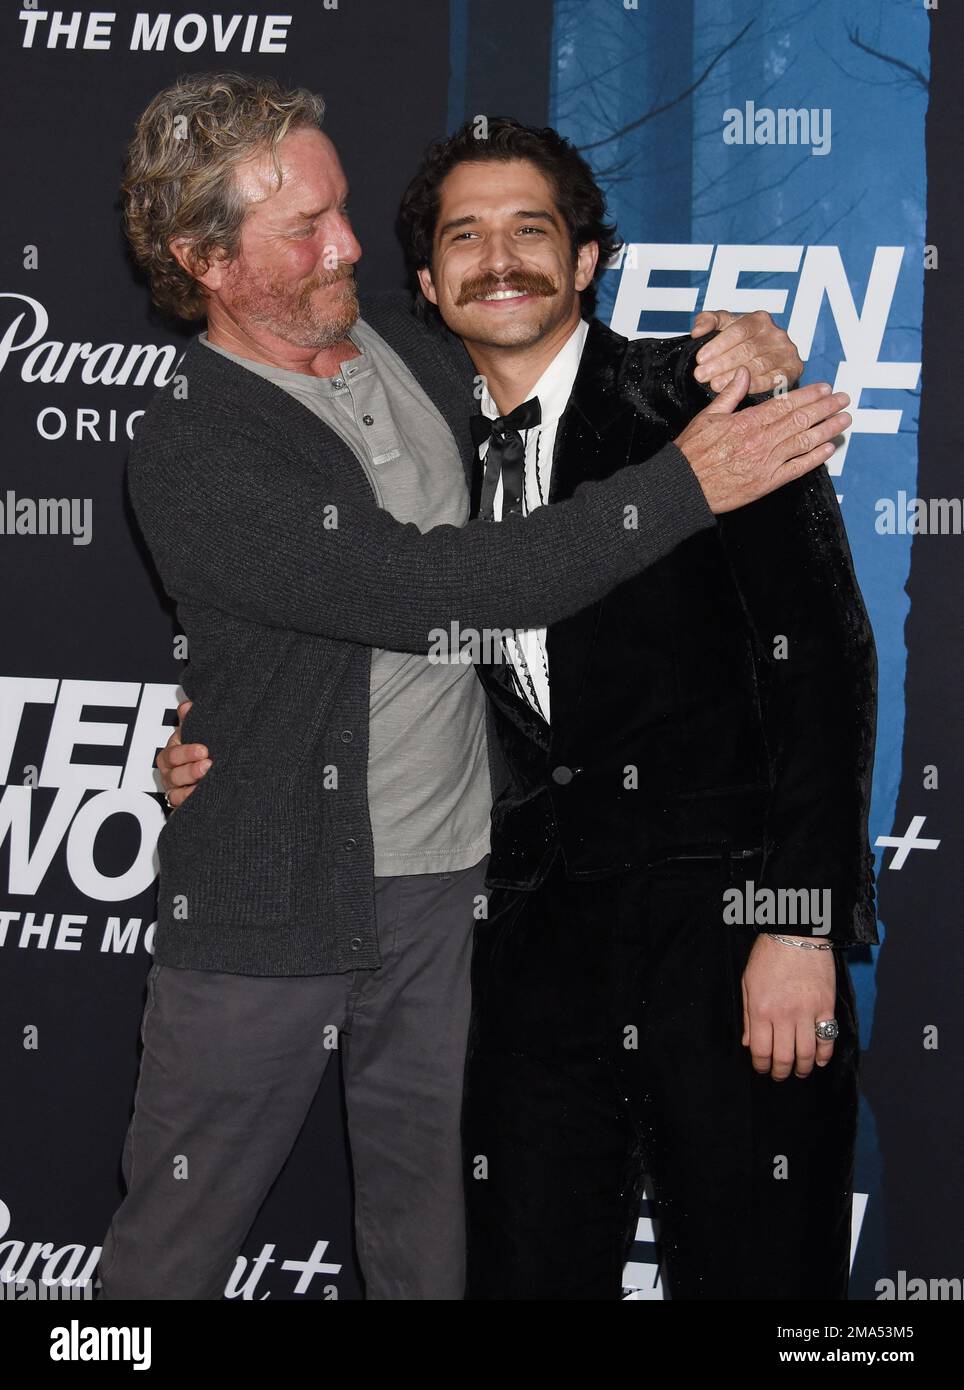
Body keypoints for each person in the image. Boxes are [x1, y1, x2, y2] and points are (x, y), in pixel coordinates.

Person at [105, 73, 840, 1301]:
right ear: (205, 259)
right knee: (164, 1260)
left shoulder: (404, 343)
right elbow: (424, 587)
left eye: (341, 210)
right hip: (267, 903)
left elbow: (549, 350)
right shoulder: (197, 441)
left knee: (432, 1253)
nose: (347, 247)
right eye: (304, 229)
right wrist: (685, 483)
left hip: (458, 904)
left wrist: (734, 343)